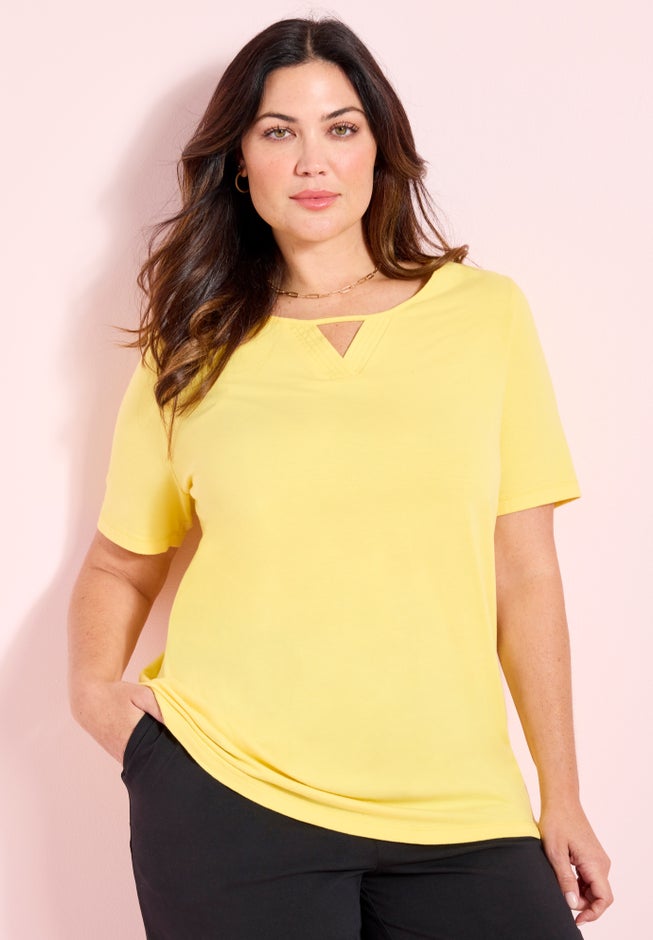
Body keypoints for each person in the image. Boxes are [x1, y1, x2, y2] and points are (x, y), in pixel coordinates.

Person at [67, 16, 613, 940]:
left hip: (460, 807)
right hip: (230, 797)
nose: (312, 159)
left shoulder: (484, 317)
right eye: (279, 131)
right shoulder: (192, 344)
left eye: (341, 127)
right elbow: (121, 562)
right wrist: (99, 703)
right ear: (240, 164)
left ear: (378, 150)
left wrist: (560, 794)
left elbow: (524, 571)